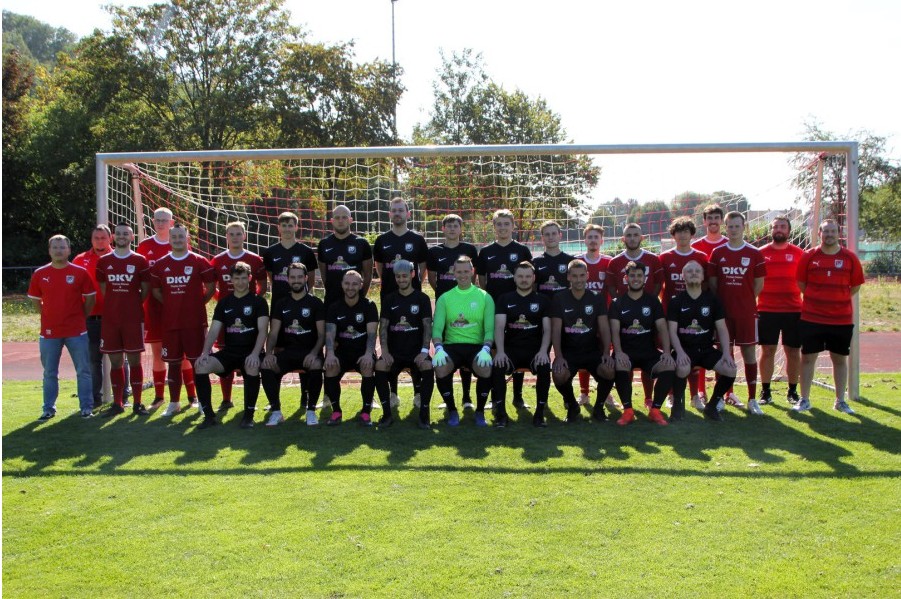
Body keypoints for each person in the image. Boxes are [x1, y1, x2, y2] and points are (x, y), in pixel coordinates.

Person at [793, 219, 864, 414]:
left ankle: (840, 401)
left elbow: (855, 286)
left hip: (841, 319)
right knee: (807, 358)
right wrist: (818, 298)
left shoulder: (850, 258)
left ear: (838, 233)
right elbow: (801, 284)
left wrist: (838, 298)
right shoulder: (809, 256)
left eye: (833, 231)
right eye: (826, 231)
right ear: (820, 234)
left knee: (839, 359)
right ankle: (804, 400)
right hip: (812, 318)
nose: (829, 235)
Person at [149, 224, 217, 416]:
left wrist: (197, 303)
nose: (178, 240)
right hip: (171, 323)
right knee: (173, 363)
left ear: (187, 238)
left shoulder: (198, 261)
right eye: (174, 237)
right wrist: (171, 304)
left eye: (181, 236)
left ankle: (203, 403)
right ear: (169, 239)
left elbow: (211, 287)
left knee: (198, 363)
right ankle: (174, 403)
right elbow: (156, 291)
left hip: (194, 323)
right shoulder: (160, 264)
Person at [28, 235, 97, 419]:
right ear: (49, 250)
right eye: (55, 247)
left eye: (62, 247)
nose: (59, 251)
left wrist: (81, 316)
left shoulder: (80, 272)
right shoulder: (40, 274)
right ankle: (48, 409)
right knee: (49, 372)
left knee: (83, 371)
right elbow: (35, 300)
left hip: (76, 331)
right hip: (49, 333)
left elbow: (90, 298)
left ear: (69, 250)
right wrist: (47, 315)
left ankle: (86, 407)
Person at [194, 262, 269, 429]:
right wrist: (205, 353)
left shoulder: (259, 302)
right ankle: (209, 416)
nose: (240, 282)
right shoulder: (224, 303)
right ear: (231, 280)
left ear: (250, 278)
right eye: (237, 278)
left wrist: (255, 354)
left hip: (252, 352)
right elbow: (214, 330)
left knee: (252, 366)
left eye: (244, 278)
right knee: (201, 366)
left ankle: (248, 416)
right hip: (229, 352)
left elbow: (263, 331)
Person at [708, 211, 767, 414]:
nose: (733, 230)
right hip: (722, 315)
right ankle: (721, 397)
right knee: (724, 353)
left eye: (737, 226)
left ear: (744, 227)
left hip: (746, 313)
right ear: (726, 228)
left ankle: (752, 399)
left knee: (749, 353)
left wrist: (745, 300)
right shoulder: (717, 253)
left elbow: (758, 285)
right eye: (730, 226)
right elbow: (714, 285)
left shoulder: (754, 253)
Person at [373, 197, 429, 407]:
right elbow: (380, 268)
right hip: (389, 297)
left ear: (408, 214)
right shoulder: (382, 240)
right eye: (393, 210)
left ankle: (418, 393)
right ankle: (393, 393)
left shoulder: (417, 239)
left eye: (400, 210)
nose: (397, 213)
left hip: (413, 298)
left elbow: (422, 269)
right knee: (392, 340)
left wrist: (413, 285)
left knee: (414, 340)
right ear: (390, 214)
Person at [666, 261, 738, 422]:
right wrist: (679, 352)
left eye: (697, 271)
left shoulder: (712, 300)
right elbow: (671, 331)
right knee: (682, 367)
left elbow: (722, 329)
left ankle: (711, 407)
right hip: (684, 349)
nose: (694, 273)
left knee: (730, 369)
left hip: (706, 349)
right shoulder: (676, 300)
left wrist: (726, 353)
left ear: (703, 276)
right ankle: (677, 407)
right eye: (689, 271)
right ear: (683, 276)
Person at [476, 209, 533, 408]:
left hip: (518, 307)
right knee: (494, 350)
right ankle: (495, 396)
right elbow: (482, 281)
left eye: (506, 224)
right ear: (494, 227)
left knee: (516, 347)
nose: (502, 227)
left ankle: (518, 396)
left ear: (513, 226)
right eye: (499, 224)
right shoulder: (486, 252)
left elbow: (528, 278)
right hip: (494, 308)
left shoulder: (522, 251)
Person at [608, 261, 676, 425]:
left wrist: (667, 352)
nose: (636, 279)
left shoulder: (653, 301)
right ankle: (628, 411)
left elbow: (662, 328)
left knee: (669, 366)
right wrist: (619, 352)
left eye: (639, 275)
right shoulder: (617, 303)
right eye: (632, 275)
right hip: (626, 352)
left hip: (648, 353)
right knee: (620, 364)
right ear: (626, 278)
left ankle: (655, 410)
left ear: (644, 278)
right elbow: (614, 331)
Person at [431, 256, 495, 427]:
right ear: (453, 273)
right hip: (451, 346)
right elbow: (437, 329)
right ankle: (452, 410)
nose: (463, 275)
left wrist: (486, 348)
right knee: (441, 366)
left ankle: (480, 411)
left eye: (466, 271)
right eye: (459, 272)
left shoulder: (485, 297)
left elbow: (490, 329)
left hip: (477, 347)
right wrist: (438, 348)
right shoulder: (445, 298)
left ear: (472, 271)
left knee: (485, 366)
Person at [263, 211, 318, 407]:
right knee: (279, 349)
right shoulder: (270, 252)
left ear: (296, 227)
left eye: (290, 225)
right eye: (283, 225)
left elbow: (310, 280)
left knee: (303, 346)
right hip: (280, 308)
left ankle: (306, 395)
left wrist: (300, 299)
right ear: (278, 228)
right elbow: (272, 278)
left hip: (302, 307)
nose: (287, 229)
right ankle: (274, 398)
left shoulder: (305, 251)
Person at [210, 221, 267, 411]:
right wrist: (223, 301)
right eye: (231, 234)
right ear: (226, 236)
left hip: (249, 316)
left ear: (244, 236)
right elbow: (211, 287)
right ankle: (226, 399)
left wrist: (249, 304)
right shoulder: (217, 260)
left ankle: (250, 404)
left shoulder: (255, 259)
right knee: (225, 354)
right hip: (226, 317)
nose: (235, 237)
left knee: (250, 358)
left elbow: (262, 286)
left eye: (238, 234)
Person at [606, 223, 664, 408]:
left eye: (635, 235)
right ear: (623, 239)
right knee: (624, 358)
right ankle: (627, 402)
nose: (632, 238)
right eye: (628, 235)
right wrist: (623, 305)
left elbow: (658, 284)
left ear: (642, 237)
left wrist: (647, 304)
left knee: (648, 354)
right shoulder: (615, 262)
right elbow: (611, 288)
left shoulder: (653, 259)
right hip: (624, 316)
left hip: (647, 316)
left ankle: (648, 398)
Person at [550, 259, 615, 424]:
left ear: (587, 275)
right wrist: (558, 356)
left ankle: (599, 407)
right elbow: (555, 330)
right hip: (569, 352)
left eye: (581, 275)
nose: (578, 279)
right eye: (574, 276)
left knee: (609, 369)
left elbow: (604, 328)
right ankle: (572, 405)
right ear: (568, 277)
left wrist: (606, 353)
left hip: (592, 351)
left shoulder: (597, 298)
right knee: (558, 374)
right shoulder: (559, 298)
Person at [96, 224, 151, 417]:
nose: (121, 236)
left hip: (133, 318)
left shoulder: (140, 260)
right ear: (113, 237)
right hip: (111, 319)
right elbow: (104, 288)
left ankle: (137, 403)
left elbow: (145, 289)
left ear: (131, 237)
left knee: (135, 361)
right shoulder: (104, 261)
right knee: (116, 361)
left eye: (125, 234)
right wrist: (116, 303)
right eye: (118, 234)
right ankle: (117, 403)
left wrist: (132, 303)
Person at [260, 263, 325, 426]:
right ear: (288, 280)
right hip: (288, 353)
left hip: (310, 353)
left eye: (299, 277)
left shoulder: (316, 303)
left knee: (316, 365)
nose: (296, 280)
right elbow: (273, 333)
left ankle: (311, 411)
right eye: (293, 277)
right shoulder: (281, 304)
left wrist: (314, 353)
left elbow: (322, 334)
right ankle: (276, 411)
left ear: (306, 278)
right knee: (266, 365)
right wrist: (268, 354)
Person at [427, 214, 479, 408]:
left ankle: (466, 397)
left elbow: (474, 277)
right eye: (448, 226)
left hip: (467, 306)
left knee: (466, 347)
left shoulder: (469, 250)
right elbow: (432, 278)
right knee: (446, 350)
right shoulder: (435, 252)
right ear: (443, 229)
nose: (451, 229)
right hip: (446, 307)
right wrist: (447, 297)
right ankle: (446, 398)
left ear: (460, 228)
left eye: (455, 225)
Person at [375, 261, 434, 428]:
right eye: (398, 276)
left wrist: (424, 351)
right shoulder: (389, 299)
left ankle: (424, 414)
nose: (401, 279)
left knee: (428, 366)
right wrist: (385, 351)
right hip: (394, 354)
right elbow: (383, 327)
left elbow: (427, 327)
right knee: (379, 365)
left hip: (416, 353)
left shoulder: (422, 299)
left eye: (405, 276)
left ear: (412, 275)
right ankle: (387, 414)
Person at [492, 262, 551, 427]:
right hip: (511, 350)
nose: (524, 280)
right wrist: (500, 352)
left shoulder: (543, 300)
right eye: (520, 276)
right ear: (514, 278)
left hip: (534, 351)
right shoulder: (504, 299)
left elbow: (547, 329)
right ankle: (501, 414)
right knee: (497, 365)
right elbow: (499, 327)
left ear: (533, 278)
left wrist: (543, 351)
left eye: (527, 276)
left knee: (545, 366)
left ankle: (539, 414)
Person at [659, 216, 709, 408]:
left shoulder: (701, 257)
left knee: (693, 354)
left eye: (686, 231)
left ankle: (695, 396)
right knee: (672, 354)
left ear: (692, 234)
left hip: (695, 315)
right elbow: (661, 286)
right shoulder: (665, 257)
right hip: (671, 314)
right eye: (678, 232)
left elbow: (706, 285)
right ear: (673, 235)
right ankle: (672, 395)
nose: (682, 235)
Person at [756, 216, 804, 406]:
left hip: (794, 310)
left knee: (792, 351)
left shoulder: (799, 253)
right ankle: (765, 391)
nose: (779, 229)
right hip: (767, 309)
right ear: (771, 230)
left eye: (782, 226)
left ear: (789, 231)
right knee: (767, 350)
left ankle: (792, 391)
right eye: (775, 226)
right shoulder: (760, 253)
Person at [323, 270, 379, 425]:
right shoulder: (334, 307)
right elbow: (330, 334)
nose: (350, 287)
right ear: (342, 285)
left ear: (361, 285)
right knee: (331, 366)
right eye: (347, 283)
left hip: (362, 352)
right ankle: (336, 411)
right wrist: (330, 354)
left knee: (367, 365)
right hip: (342, 352)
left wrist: (368, 354)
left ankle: (366, 412)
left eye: (354, 284)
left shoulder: (369, 306)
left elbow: (372, 334)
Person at [690, 203, 729, 404]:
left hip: (725, 305)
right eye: (709, 218)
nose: (713, 221)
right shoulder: (696, 247)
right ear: (704, 221)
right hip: (701, 306)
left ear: (721, 220)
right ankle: (701, 391)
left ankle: (727, 392)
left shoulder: (730, 244)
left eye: (716, 218)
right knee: (701, 345)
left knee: (724, 347)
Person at [576, 224, 617, 409]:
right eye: (590, 237)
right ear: (585, 240)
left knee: (603, 353)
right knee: (583, 352)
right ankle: (584, 393)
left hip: (603, 317)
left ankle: (606, 393)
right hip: (581, 317)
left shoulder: (609, 262)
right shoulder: (577, 261)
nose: (593, 240)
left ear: (602, 241)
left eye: (596, 237)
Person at [73, 224, 113, 409]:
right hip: (91, 318)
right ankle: (94, 398)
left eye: (103, 238)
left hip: (113, 317)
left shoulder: (118, 256)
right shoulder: (80, 259)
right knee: (93, 360)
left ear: (110, 239)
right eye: (96, 238)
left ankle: (123, 396)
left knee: (118, 358)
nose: (100, 241)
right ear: (91, 239)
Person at [318, 204, 373, 307]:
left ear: (350, 220)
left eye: (344, 217)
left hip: (356, 304)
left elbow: (368, 275)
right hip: (331, 303)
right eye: (337, 217)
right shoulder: (324, 244)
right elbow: (324, 276)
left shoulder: (362, 243)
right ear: (332, 221)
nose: (340, 220)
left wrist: (360, 297)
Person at [532, 220, 573, 297]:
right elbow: (533, 288)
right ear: (542, 238)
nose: (550, 237)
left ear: (560, 236)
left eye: (554, 233)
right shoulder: (535, 262)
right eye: (547, 234)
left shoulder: (571, 261)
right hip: (543, 304)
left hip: (564, 304)